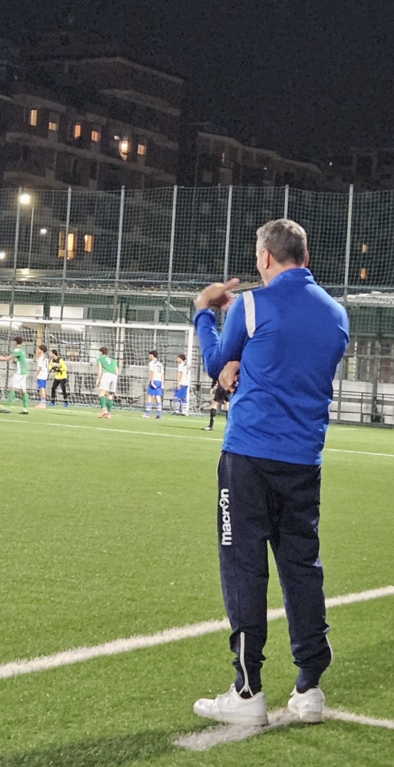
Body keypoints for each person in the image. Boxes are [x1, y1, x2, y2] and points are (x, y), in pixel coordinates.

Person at [191, 219, 349, 727]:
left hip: (249, 457)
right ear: (305, 256)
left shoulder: (251, 305)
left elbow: (217, 362)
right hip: (304, 461)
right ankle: (309, 687)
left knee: (244, 567)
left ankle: (247, 690)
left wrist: (204, 312)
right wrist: (245, 367)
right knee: (302, 568)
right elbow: (291, 363)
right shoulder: (337, 314)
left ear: (264, 258)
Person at [0, 335, 29, 414]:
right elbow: (18, 360)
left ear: (15, 342)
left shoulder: (17, 350)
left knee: (12, 388)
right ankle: (25, 409)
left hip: (19, 373)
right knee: (23, 390)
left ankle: (7, 407)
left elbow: (6, 359)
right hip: (24, 372)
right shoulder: (22, 350)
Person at [96, 346, 118, 419]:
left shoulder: (100, 358)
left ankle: (104, 409)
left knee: (101, 393)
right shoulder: (113, 360)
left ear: (101, 352)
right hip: (114, 376)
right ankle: (108, 414)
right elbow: (117, 371)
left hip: (106, 375)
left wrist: (98, 379)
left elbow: (100, 369)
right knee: (110, 396)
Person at [143, 350, 164, 419]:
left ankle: (148, 413)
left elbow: (152, 373)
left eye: (149, 355)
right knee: (158, 397)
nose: (149, 356)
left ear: (152, 355)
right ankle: (159, 414)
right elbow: (162, 374)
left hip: (154, 380)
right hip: (159, 381)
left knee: (149, 396)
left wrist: (152, 382)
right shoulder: (160, 364)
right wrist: (162, 384)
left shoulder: (152, 363)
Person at [35, 344, 49, 409]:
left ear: (41, 350)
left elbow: (39, 368)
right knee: (42, 389)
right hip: (44, 375)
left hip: (41, 375)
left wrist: (36, 375)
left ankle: (43, 404)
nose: (37, 350)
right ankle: (42, 403)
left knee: (41, 389)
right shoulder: (45, 358)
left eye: (38, 349)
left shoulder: (41, 358)